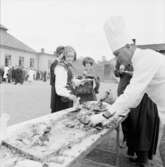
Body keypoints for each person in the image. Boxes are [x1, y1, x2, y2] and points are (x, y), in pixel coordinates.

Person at [88, 16, 165, 167]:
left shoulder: (146, 58)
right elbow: (134, 99)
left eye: (117, 54)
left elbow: (132, 94)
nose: (117, 58)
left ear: (129, 46)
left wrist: (104, 115)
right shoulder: (139, 60)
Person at [115, 61, 160, 164]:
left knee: (142, 129)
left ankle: (142, 159)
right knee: (138, 128)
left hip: (144, 102)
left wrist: (128, 72)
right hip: (140, 100)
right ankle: (139, 155)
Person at [51, 46, 78, 112]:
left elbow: (69, 80)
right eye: (68, 56)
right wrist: (69, 95)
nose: (70, 58)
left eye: (72, 56)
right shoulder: (60, 67)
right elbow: (59, 88)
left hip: (68, 97)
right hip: (62, 98)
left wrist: (77, 82)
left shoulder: (68, 66)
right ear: (64, 56)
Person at [50, 46, 65, 113]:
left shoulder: (64, 63)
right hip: (57, 90)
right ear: (58, 54)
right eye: (62, 53)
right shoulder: (55, 63)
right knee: (56, 109)